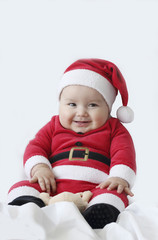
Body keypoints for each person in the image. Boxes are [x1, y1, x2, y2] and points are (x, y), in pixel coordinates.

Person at [8, 58, 136, 229]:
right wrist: (40, 168)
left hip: (95, 187)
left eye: (92, 105)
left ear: (108, 108)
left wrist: (119, 177)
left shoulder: (114, 129)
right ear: (60, 105)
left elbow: (124, 152)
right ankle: (29, 204)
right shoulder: (53, 126)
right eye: (72, 104)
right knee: (23, 186)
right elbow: (36, 146)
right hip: (53, 184)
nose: (81, 112)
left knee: (115, 193)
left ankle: (100, 211)